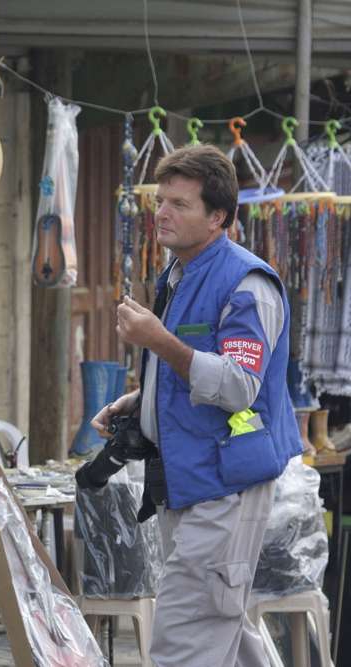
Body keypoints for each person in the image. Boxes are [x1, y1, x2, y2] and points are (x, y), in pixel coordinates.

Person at [92, 144, 302, 666]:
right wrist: (141, 403)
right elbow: (194, 368)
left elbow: (238, 387)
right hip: (190, 482)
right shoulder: (181, 272)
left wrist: (159, 342)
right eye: (161, 201)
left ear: (218, 217)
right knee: (220, 632)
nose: (161, 212)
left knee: (185, 642)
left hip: (224, 485)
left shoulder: (247, 284)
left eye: (180, 204)